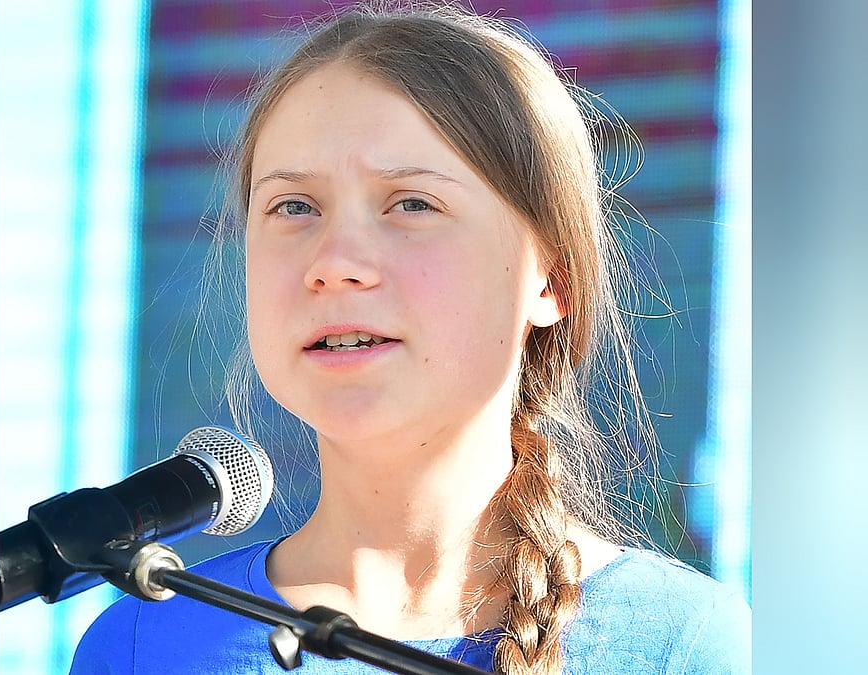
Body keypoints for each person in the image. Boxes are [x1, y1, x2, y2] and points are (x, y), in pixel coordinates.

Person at [70, 2, 749, 673]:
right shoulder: (140, 644)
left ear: (551, 280)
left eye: (412, 204)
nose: (334, 262)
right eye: (294, 206)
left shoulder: (685, 645)